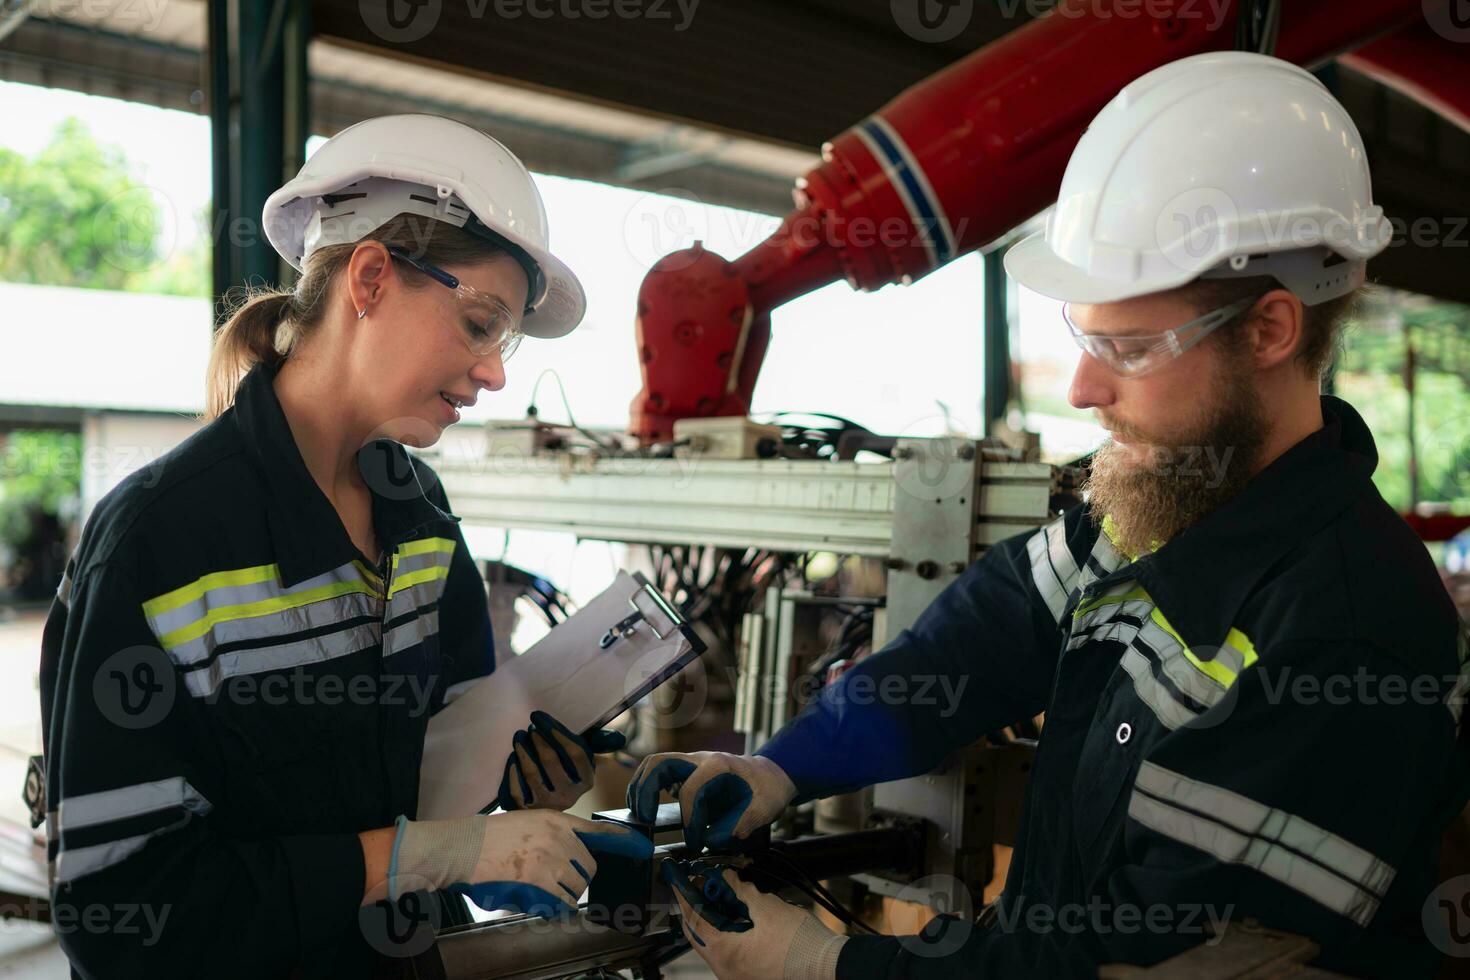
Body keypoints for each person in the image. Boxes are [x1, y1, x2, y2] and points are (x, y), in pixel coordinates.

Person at [628, 53, 1470, 979]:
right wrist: (781, 772)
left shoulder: (1341, 636)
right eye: (1083, 334)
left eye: (1130, 347)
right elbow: (978, 642)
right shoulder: (1158, 504)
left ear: (1270, 330)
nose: (1082, 386)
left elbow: (1141, 967)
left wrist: (826, 967)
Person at [34, 113, 644, 977]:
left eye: (504, 339)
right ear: (369, 278)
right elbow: (113, 910)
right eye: (479, 323)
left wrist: (511, 798)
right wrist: (422, 857)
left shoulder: (421, 517)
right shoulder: (162, 540)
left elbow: (447, 770)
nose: (497, 371)